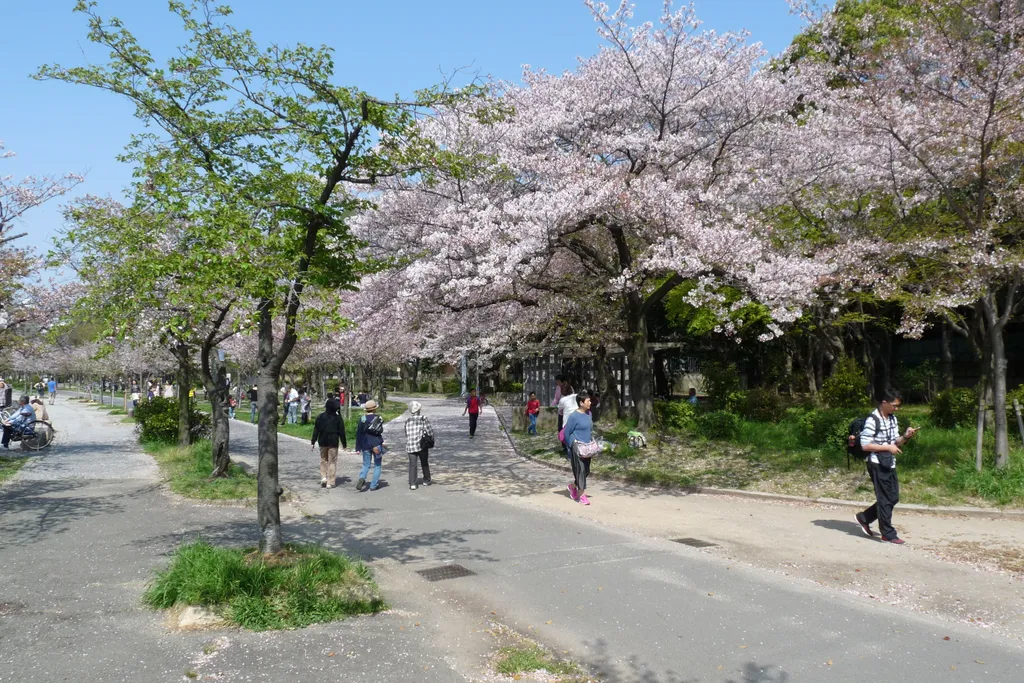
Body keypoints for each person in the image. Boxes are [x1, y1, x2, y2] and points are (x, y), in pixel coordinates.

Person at [855, 389, 919, 545]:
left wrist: (906, 436)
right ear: (884, 403)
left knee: (893, 497)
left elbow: (895, 443)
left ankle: (865, 517)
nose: (896, 409)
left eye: (898, 406)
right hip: (876, 463)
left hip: (889, 462)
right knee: (884, 498)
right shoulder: (872, 420)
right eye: (894, 405)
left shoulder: (892, 419)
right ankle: (887, 533)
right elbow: (865, 445)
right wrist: (887, 448)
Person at [563, 391, 594, 506]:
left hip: (588, 448)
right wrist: (573, 444)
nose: (590, 402)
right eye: (588, 401)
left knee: (586, 471)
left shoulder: (588, 415)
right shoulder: (574, 416)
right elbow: (567, 433)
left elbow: (589, 430)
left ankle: (573, 486)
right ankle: (582, 495)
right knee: (580, 470)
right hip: (577, 447)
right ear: (581, 403)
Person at [311, 398, 347, 488]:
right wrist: (344, 444)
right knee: (332, 462)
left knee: (323, 460)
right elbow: (342, 432)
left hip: (322, 441)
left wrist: (313, 441)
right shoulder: (338, 418)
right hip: (333, 442)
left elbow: (316, 430)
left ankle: (323, 477)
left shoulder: (320, 417)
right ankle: (330, 482)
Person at [355, 400, 385, 491]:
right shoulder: (379, 418)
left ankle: (362, 477)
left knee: (366, 464)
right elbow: (380, 431)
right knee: (377, 465)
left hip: (365, 444)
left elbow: (359, 433)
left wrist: (358, 447)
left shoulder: (362, 419)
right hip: (376, 444)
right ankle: (373, 485)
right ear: (375, 409)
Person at [404, 401, 435, 490]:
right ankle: (427, 479)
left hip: (410, 445)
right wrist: (431, 439)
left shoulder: (407, 420)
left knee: (412, 465)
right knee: (424, 462)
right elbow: (429, 431)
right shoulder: (423, 418)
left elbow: (406, 433)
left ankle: (412, 483)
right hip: (422, 445)